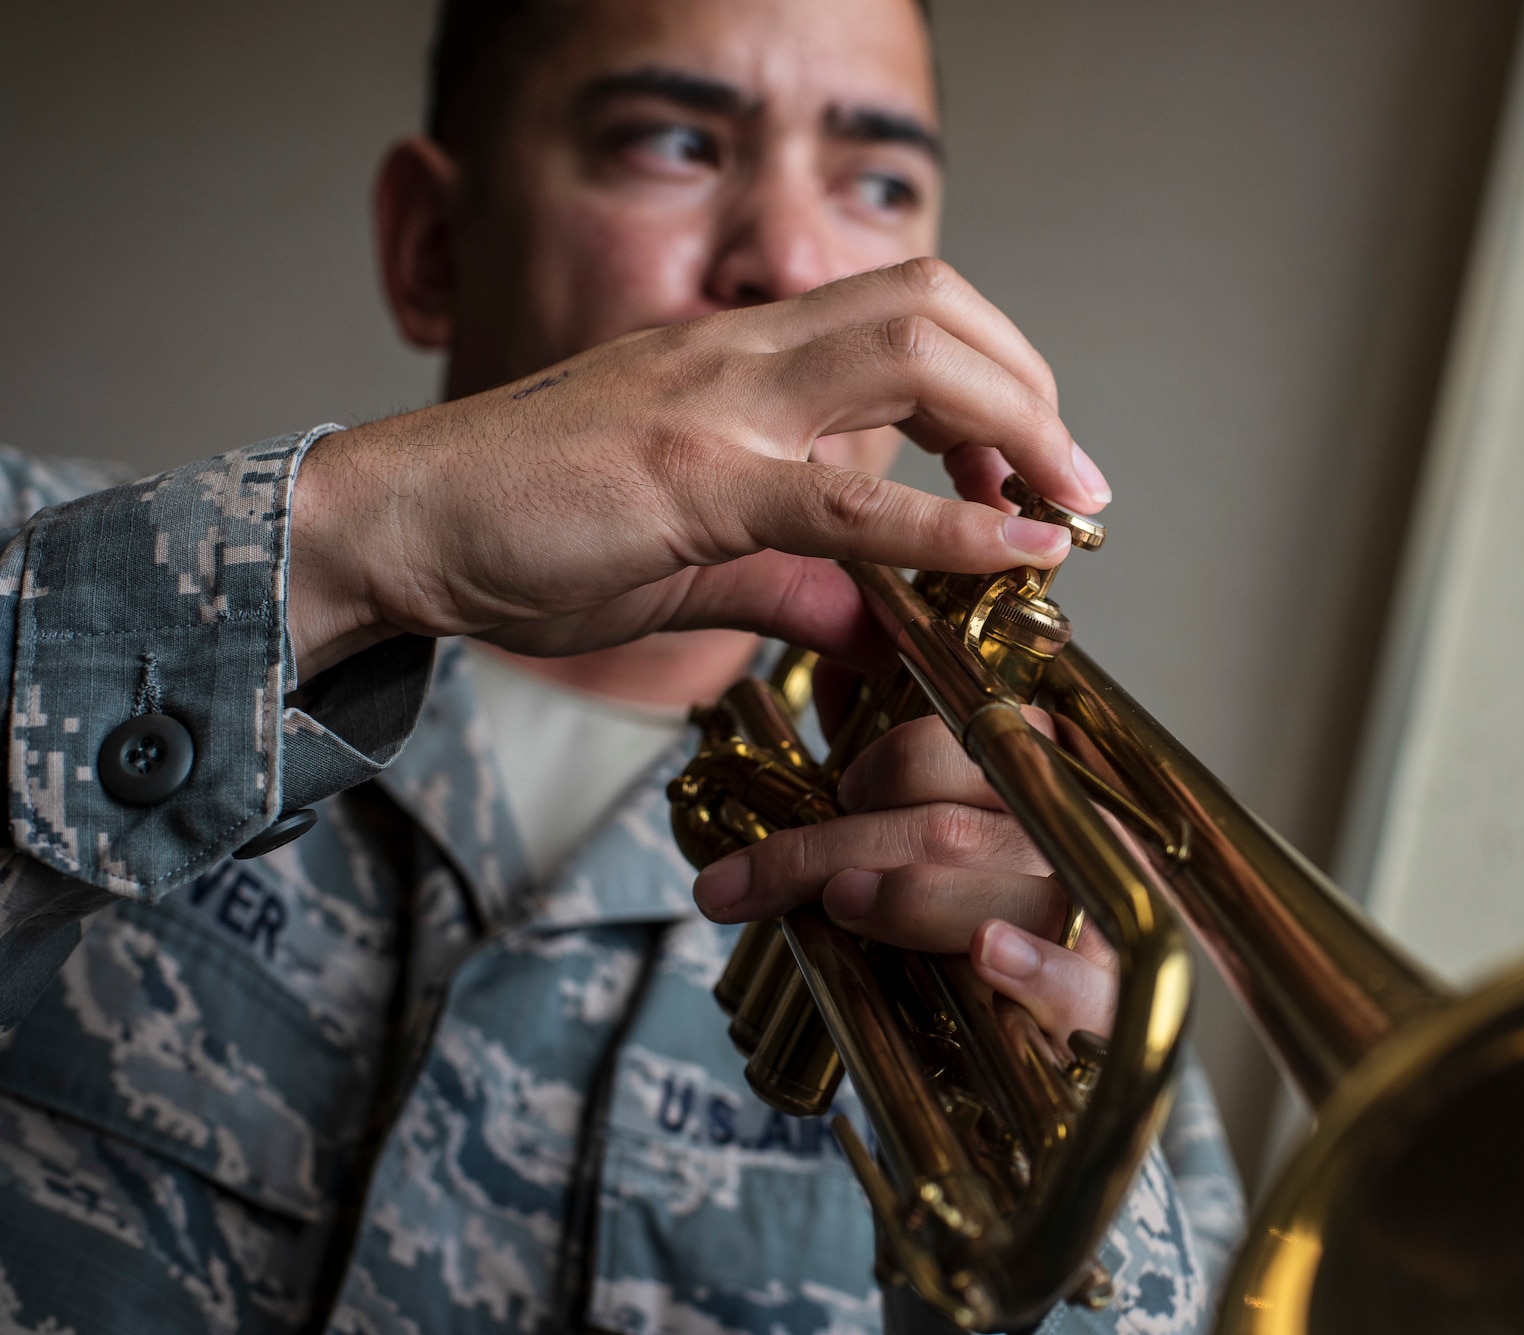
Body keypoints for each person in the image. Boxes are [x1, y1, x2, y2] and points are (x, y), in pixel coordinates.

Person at [0, 0, 1243, 1332]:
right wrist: (349, 540)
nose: (791, 257)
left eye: (879, 182)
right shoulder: (42, 569)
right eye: (673, 143)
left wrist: (1052, 1161)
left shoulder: (1057, 945)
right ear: (432, 247)